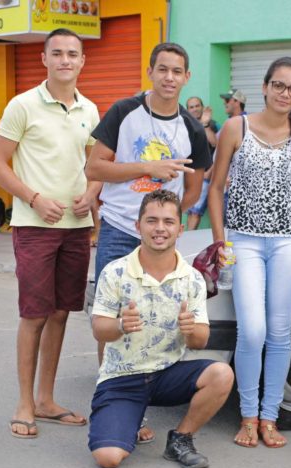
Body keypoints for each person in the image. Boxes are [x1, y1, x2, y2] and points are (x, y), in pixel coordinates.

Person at [85, 41, 211, 443]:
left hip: (160, 233)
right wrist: (147, 167)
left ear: (186, 77)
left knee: (157, 321)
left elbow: (194, 187)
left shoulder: (191, 128)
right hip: (121, 228)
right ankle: (114, 400)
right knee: (114, 320)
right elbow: (94, 166)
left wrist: (168, 222)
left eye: (177, 71)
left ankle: (149, 391)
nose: (169, 77)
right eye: (163, 69)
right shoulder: (124, 112)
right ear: (150, 72)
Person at [0, 28, 102, 439]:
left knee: (59, 314)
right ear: (44, 58)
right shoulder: (23, 105)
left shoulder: (90, 109)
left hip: (76, 228)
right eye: (58, 53)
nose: (66, 60)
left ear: (82, 60)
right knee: (34, 314)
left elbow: (97, 165)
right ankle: (24, 402)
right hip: (35, 226)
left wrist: (91, 193)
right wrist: (34, 198)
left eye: (73, 53)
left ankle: (46, 400)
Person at [209, 57, 291, 448]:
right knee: (251, 331)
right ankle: (247, 414)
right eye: (279, 85)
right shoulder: (236, 127)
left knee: (279, 334)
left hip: (288, 241)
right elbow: (216, 188)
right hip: (245, 241)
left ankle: (269, 418)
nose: (285, 93)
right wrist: (223, 243)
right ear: (265, 86)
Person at [89, 189, 234, 468]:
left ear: (180, 229)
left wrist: (190, 329)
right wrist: (120, 325)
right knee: (108, 458)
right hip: (122, 378)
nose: (160, 229)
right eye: (152, 220)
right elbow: (99, 329)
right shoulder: (115, 272)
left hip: (167, 374)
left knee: (221, 374)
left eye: (168, 222)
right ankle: (126, 417)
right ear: (138, 225)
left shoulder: (192, 278)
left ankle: (180, 438)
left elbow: (201, 340)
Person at [185, 95, 218, 231]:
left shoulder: (211, 124)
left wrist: (204, 124)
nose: (194, 109)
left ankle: (188, 239)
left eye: (197, 106)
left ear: (202, 107)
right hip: (186, 173)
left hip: (203, 174)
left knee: (195, 211)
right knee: (188, 208)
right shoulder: (184, 123)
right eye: (191, 107)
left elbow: (215, 143)